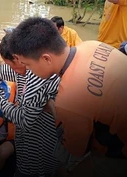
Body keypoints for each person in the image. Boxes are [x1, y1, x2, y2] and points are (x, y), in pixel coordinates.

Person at [7, 17, 127, 177]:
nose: (28, 70)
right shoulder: (91, 45)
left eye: (28, 65)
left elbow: (77, 149)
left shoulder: (69, 100)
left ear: (46, 59)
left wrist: (51, 107)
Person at [0, 34, 62, 177]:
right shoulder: (30, 63)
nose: (11, 69)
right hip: (31, 138)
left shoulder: (36, 78)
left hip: (39, 142)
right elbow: (11, 71)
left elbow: (24, 119)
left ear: (17, 59)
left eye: (9, 63)